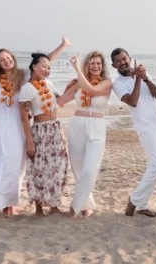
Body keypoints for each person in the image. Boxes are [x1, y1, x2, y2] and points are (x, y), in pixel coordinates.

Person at [0, 41, 67, 217]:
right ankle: (6, 204)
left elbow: (44, 63)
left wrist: (62, 46)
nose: (6, 61)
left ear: (12, 58)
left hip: (19, 123)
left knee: (19, 165)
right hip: (1, 124)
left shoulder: (23, 75)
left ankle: (10, 203)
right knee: (5, 162)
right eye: (2, 60)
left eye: (8, 57)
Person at [111, 48, 156, 217]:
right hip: (144, 127)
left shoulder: (143, 72)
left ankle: (142, 205)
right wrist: (137, 81)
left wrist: (146, 78)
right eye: (118, 61)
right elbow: (133, 102)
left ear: (129, 58)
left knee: (153, 166)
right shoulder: (117, 83)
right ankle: (134, 200)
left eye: (124, 58)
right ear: (114, 65)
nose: (122, 62)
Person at [58, 51, 113, 219]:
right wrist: (68, 87)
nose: (95, 66)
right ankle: (86, 204)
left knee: (90, 170)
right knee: (78, 168)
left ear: (102, 66)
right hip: (77, 124)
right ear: (87, 65)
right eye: (92, 63)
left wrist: (76, 68)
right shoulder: (78, 84)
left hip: (96, 126)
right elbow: (60, 102)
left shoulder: (107, 83)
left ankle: (74, 209)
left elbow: (92, 90)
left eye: (98, 63)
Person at [20, 48, 70, 215]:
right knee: (38, 168)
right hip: (40, 131)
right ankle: (39, 208)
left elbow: (59, 100)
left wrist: (72, 86)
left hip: (56, 129)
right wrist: (30, 141)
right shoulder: (28, 88)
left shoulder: (49, 84)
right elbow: (24, 118)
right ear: (34, 66)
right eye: (44, 66)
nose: (47, 70)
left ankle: (54, 206)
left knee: (58, 166)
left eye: (49, 67)